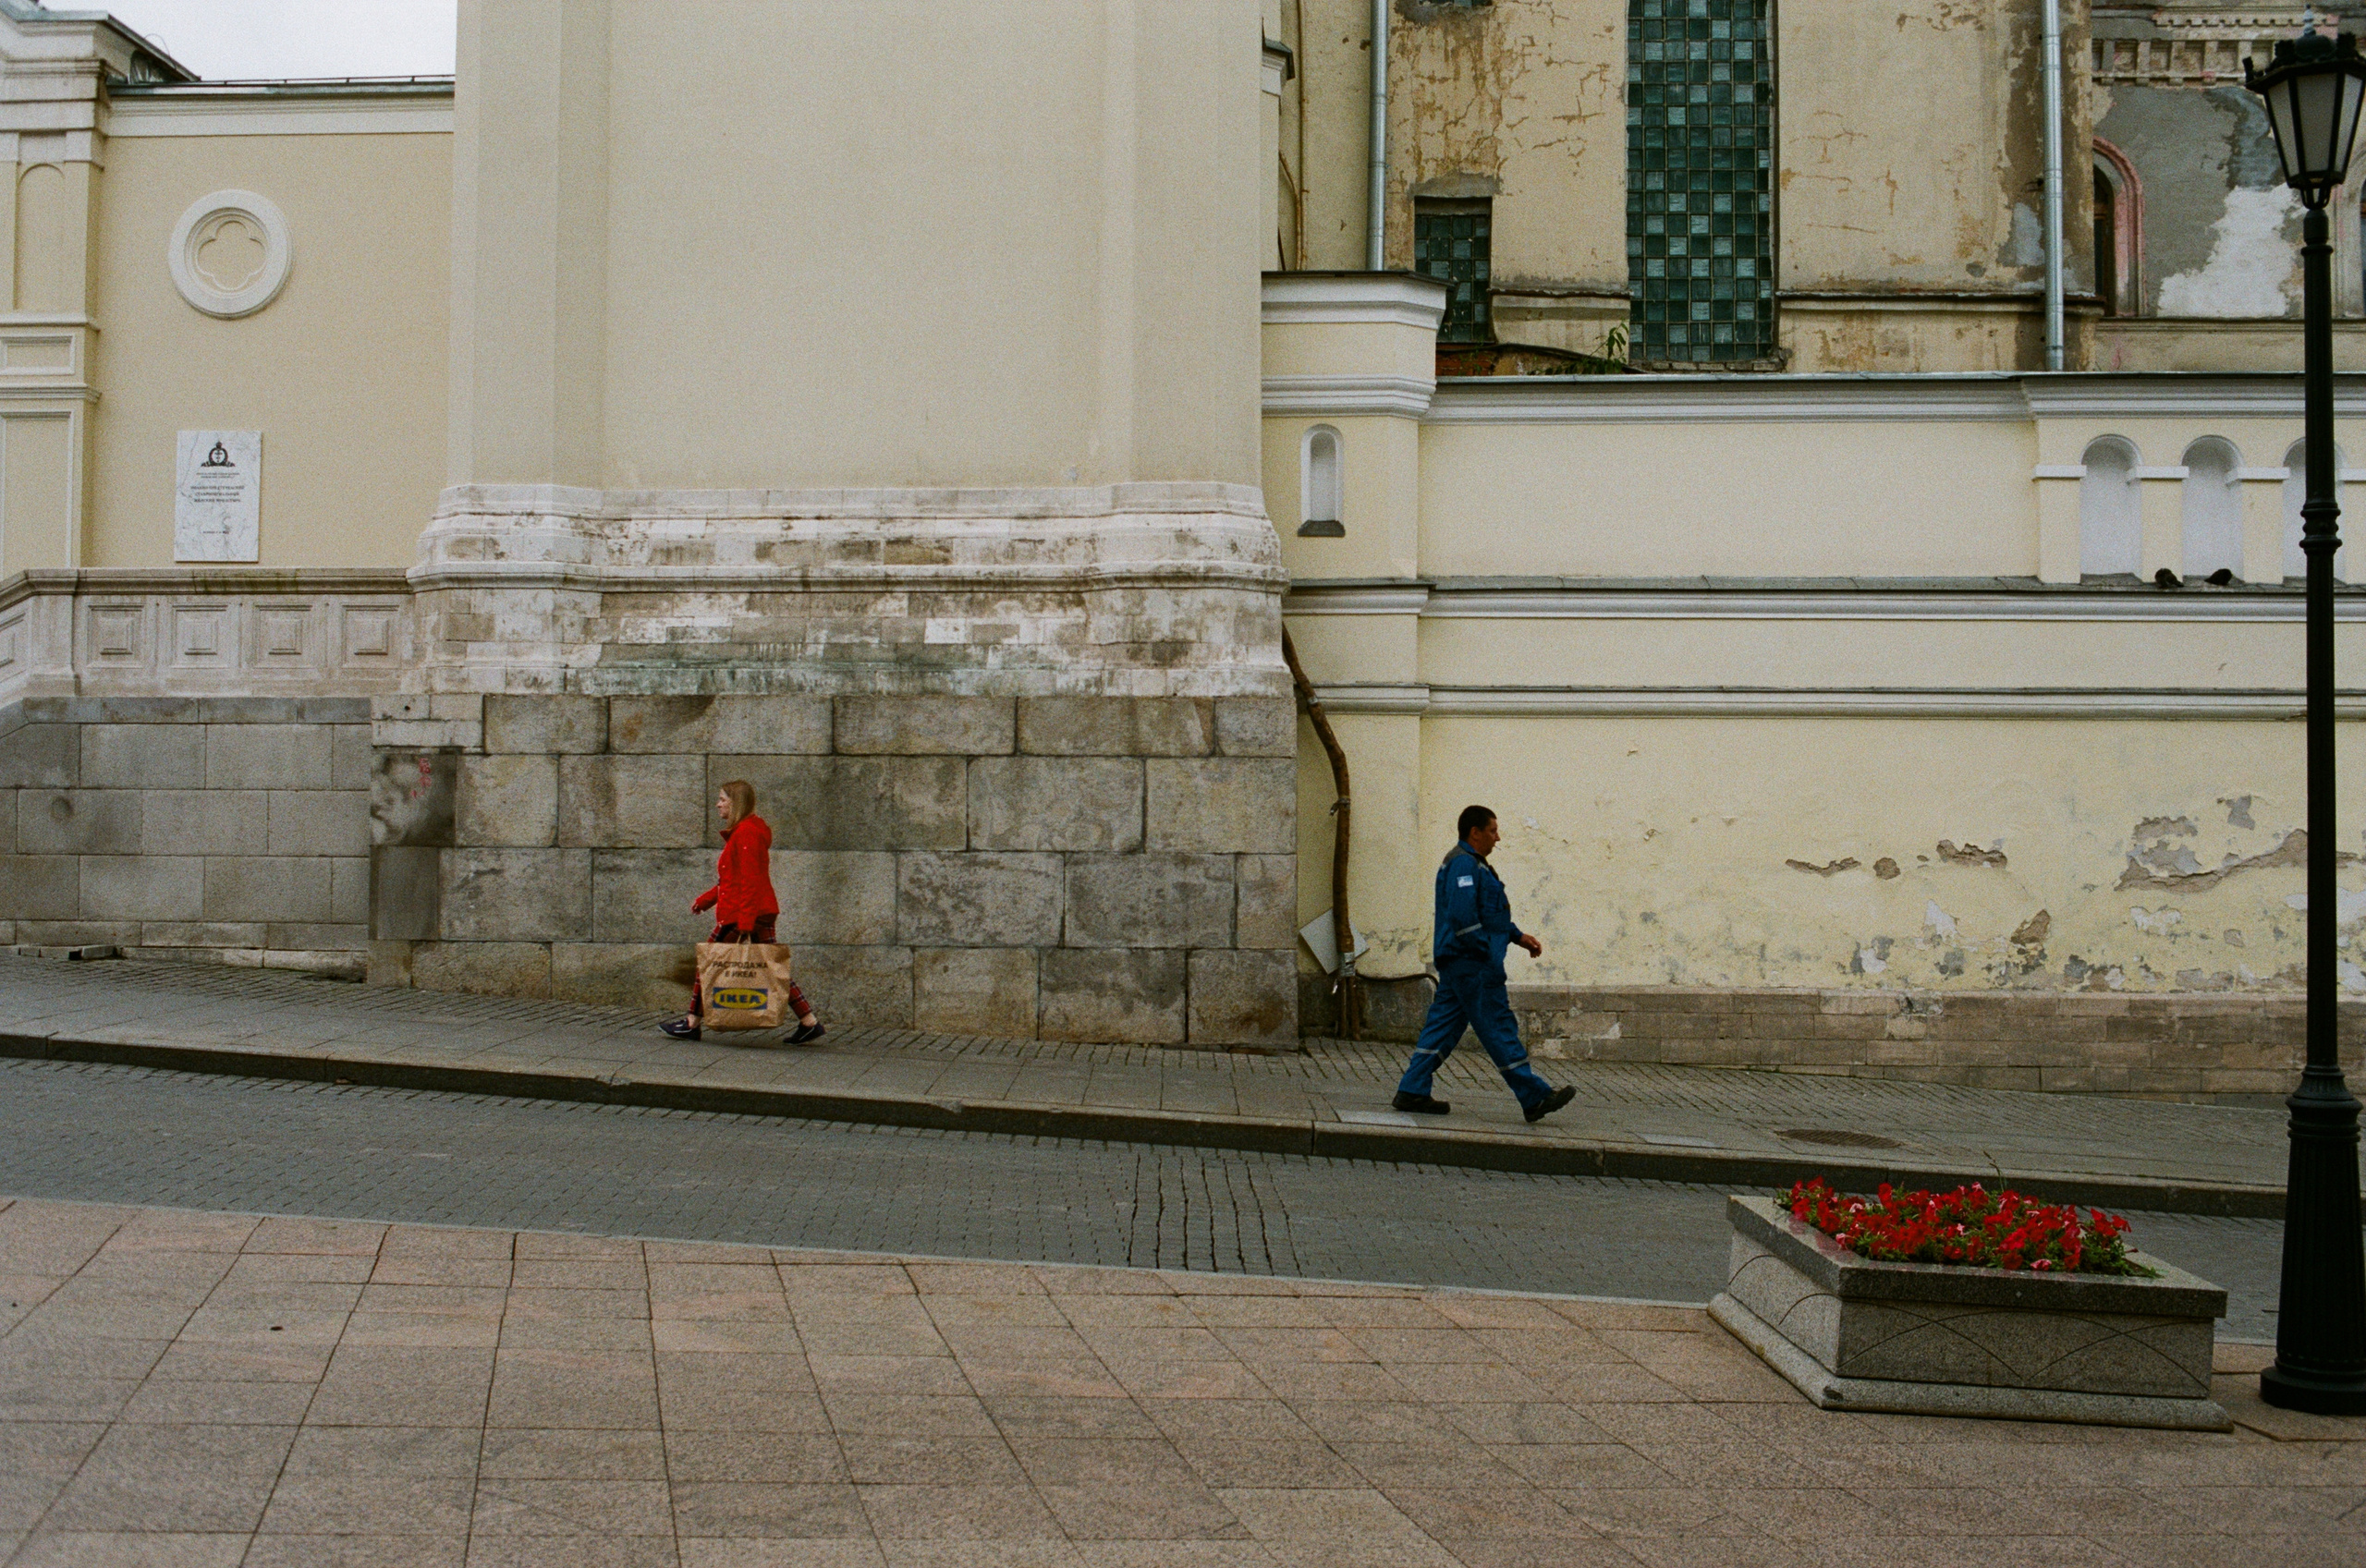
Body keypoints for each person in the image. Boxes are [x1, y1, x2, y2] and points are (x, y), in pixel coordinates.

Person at [1393, 804, 1576, 1123]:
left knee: (1443, 1027)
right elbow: (1464, 918)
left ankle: (1412, 1090)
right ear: (1474, 832)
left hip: (1460, 964)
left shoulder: (1474, 866)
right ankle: (1534, 1097)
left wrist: (1517, 937)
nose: (1498, 837)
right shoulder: (1465, 865)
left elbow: (1489, 915)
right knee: (1498, 1026)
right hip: (1473, 965)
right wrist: (1484, 954)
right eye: (1493, 830)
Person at [660, 779, 824, 1043]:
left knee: (709, 963)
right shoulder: (745, 831)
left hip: (743, 914)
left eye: (723, 799)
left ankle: (692, 1023)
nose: (718, 804)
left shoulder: (747, 833)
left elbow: (751, 881)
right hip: (753, 911)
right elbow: (733, 880)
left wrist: (745, 922)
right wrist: (705, 901)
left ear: (735, 803)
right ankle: (809, 1021)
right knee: (770, 966)